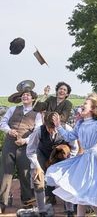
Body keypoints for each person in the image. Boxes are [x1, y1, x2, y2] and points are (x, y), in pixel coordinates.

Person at [45, 97, 97, 217]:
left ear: (92, 109)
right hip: (85, 159)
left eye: (85, 104)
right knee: (81, 193)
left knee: (92, 192)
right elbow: (69, 136)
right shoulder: (80, 123)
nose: (82, 105)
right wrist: (58, 126)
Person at [0, 83, 42, 214]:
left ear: (32, 98)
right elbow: (2, 122)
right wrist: (8, 130)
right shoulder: (13, 109)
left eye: (28, 95)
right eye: (23, 95)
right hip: (10, 144)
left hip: (26, 147)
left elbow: (37, 132)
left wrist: (25, 140)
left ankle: (28, 202)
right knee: (5, 173)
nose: (25, 96)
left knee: (25, 174)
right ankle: (2, 203)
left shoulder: (37, 114)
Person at [26, 112, 78, 217]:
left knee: (67, 180)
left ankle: (70, 210)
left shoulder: (66, 128)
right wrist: (37, 167)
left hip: (61, 156)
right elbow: (30, 151)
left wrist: (68, 163)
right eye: (50, 128)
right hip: (43, 155)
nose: (53, 131)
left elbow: (75, 148)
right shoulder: (38, 131)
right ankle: (42, 211)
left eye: (55, 128)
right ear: (45, 125)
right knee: (38, 179)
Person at [33, 81, 73, 204]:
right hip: (47, 133)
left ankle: (67, 198)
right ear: (56, 90)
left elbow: (64, 118)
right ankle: (50, 196)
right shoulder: (50, 99)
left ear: (67, 94)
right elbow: (37, 108)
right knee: (47, 166)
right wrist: (44, 95)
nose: (62, 91)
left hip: (60, 135)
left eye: (64, 90)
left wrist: (47, 115)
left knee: (63, 168)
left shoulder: (68, 103)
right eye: (60, 89)